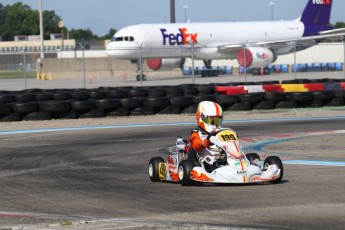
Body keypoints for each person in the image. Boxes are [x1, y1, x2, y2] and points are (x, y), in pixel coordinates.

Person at [189, 101, 224, 171]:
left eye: (217, 121)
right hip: (205, 160)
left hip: (222, 157)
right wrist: (203, 143)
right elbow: (195, 144)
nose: (214, 124)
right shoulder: (196, 133)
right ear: (201, 117)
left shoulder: (221, 132)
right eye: (211, 120)